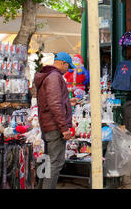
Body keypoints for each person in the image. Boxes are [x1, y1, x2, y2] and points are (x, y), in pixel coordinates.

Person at [34, 52, 78, 189]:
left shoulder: (47, 75)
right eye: (68, 67)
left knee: (47, 162)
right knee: (55, 163)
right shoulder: (54, 77)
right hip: (54, 127)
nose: (68, 70)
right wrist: (64, 128)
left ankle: (40, 187)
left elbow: (52, 101)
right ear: (62, 63)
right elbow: (54, 104)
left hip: (47, 125)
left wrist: (67, 101)